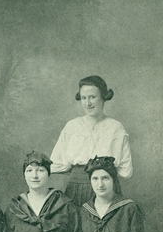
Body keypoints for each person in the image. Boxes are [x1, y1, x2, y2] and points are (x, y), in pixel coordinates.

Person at [50, 75, 133, 206]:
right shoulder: (72, 127)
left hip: (107, 192)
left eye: (92, 97)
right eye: (84, 98)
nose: (87, 103)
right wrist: (79, 176)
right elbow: (56, 164)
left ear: (103, 97)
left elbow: (125, 171)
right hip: (76, 191)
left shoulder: (116, 128)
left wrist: (104, 174)